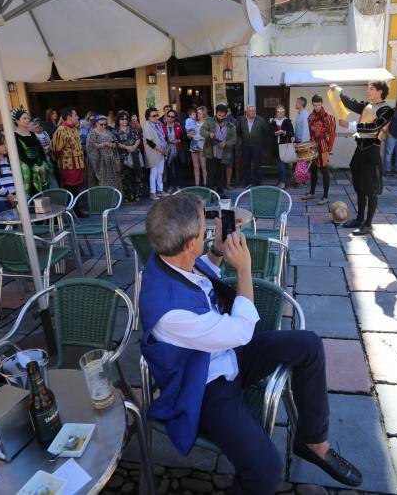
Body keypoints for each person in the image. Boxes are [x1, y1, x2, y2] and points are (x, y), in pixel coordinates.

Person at [139, 194, 363, 493]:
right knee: (267, 471)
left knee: (308, 345)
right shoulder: (170, 313)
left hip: (223, 350)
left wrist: (217, 251)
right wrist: (244, 268)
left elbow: (199, 278)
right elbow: (243, 329)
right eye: (204, 230)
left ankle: (313, 441)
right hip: (202, 385)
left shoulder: (168, 258)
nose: (209, 230)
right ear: (190, 244)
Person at [329, 81, 394, 236]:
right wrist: (338, 90)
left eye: (371, 89)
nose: (368, 91)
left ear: (380, 91)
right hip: (359, 152)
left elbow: (376, 126)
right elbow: (350, 103)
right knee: (359, 189)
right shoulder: (367, 106)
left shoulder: (387, 110)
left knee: (370, 191)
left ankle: (368, 224)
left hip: (372, 152)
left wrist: (351, 126)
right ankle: (359, 219)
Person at [302, 95, 336, 205]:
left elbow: (332, 133)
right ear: (312, 104)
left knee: (324, 170)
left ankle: (325, 196)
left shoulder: (328, 116)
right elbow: (310, 132)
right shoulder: (310, 116)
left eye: (319, 105)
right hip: (313, 145)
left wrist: (330, 148)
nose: (317, 107)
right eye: (315, 105)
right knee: (313, 169)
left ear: (321, 104)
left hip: (323, 146)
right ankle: (312, 192)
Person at [11, 109, 51, 197]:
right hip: (27, 167)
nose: (28, 120)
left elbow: (40, 150)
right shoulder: (14, 136)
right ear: (17, 121)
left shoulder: (32, 134)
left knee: (43, 195)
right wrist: (35, 167)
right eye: (24, 118)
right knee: (32, 195)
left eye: (28, 118)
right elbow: (21, 155)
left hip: (40, 166)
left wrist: (43, 164)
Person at [202, 104, 236, 198]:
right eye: (218, 115)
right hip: (211, 153)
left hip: (223, 154)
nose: (220, 117)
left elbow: (234, 139)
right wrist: (209, 134)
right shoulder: (209, 121)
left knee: (221, 174)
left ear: (226, 115)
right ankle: (209, 195)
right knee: (211, 175)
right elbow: (202, 130)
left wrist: (226, 143)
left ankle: (220, 193)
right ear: (216, 113)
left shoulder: (230, 126)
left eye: (222, 116)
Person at [51, 107, 85, 199]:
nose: (78, 117)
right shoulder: (61, 130)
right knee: (70, 190)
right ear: (69, 117)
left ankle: (76, 210)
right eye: (75, 115)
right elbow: (56, 151)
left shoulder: (74, 129)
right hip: (68, 167)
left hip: (78, 166)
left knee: (76, 190)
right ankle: (72, 211)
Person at [113, 111, 143, 202]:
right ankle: (128, 196)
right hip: (123, 157)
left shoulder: (132, 129)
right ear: (118, 120)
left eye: (126, 119)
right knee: (126, 177)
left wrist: (134, 147)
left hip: (134, 155)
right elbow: (116, 143)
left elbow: (138, 139)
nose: (124, 121)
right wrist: (126, 147)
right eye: (122, 119)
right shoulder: (115, 131)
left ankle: (137, 194)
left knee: (137, 175)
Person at [87, 115, 123, 190]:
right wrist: (104, 144)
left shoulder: (108, 132)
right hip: (100, 162)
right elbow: (91, 147)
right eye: (101, 124)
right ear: (96, 123)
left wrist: (113, 145)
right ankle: (104, 200)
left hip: (110, 161)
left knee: (114, 181)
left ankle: (114, 199)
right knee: (102, 181)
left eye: (105, 124)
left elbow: (116, 142)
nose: (103, 126)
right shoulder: (92, 133)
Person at [237, 105, 270, 188]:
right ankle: (248, 182)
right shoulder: (242, 120)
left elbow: (266, 131)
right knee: (246, 164)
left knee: (257, 164)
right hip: (246, 146)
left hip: (257, 146)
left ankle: (257, 182)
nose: (252, 112)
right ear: (247, 112)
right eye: (250, 111)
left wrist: (260, 140)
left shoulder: (260, 119)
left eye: (254, 111)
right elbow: (239, 131)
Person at [143, 107, 168, 200]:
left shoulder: (158, 124)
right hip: (154, 152)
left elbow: (163, 137)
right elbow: (149, 142)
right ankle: (152, 192)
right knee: (154, 172)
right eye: (153, 116)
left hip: (161, 151)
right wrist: (161, 150)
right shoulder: (146, 125)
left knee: (160, 172)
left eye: (157, 115)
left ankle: (160, 190)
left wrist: (165, 149)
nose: (156, 117)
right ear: (148, 117)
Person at [270, 105, 294, 189]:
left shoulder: (287, 121)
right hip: (276, 147)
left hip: (284, 146)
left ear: (284, 112)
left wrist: (283, 132)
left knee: (283, 165)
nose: (280, 113)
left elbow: (291, 133)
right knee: (279, 166)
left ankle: (283, 182)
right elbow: (269, 132)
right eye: (278, 112)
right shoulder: (273, 121)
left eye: (282, 112)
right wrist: (274, 133)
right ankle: (280, 181)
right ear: (276, 113)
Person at [163, 109, 185, 193]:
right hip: (166, 150)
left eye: (172, 117)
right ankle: (170, 185)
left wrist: (178, 141)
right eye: (168, 116)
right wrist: (168, 141)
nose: (170, 118)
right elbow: (161, 138)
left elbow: (183, 137)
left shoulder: (178, 126)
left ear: (175, 118)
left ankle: (178, 185)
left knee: (177, 168)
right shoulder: (162, 126)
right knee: (168, 169)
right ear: (166, 116)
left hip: (177, 150)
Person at [187, 108, 208, 187]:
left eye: (199, 113)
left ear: (203, 114)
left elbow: (208, 135)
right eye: (197, 113)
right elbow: (190, 134)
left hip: (203, 146)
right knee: (195, 166)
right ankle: (197, 184)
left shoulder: (206, 123)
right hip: (193, 145)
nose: (197, 115)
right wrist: (189, 135)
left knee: (204, 166)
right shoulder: (193, 123)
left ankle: (206, 184)